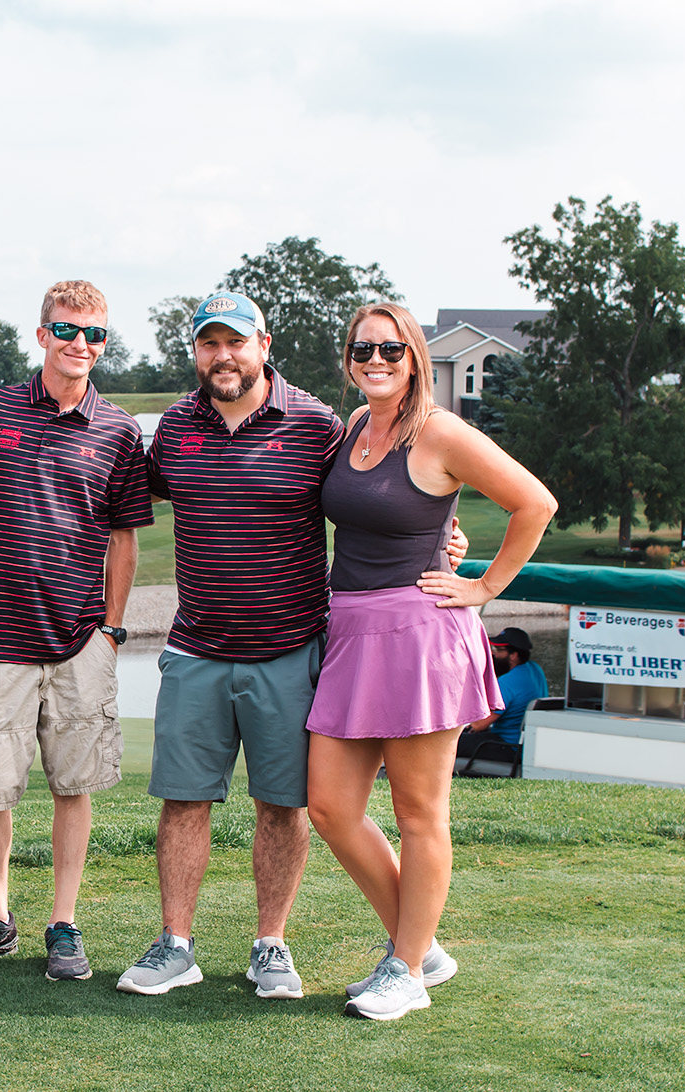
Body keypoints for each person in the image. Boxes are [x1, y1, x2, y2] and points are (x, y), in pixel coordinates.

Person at [116, 292, 466, 1000]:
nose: (223, 356)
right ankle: (174, 944)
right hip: (196, 647)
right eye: (209, 343)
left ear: (263, 344)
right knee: (183, 801)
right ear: (196, 353)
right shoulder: (175, 426)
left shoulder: (317, 425)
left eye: (235, 342)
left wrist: (445, 544)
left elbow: (387, 489)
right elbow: (120, 505)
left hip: (292, 648)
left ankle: (270, 945)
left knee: (285, 806)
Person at [305, 302, 556, 1021]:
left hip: (419, 636)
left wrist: (481, 586)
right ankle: (419, 945)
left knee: (419, 811)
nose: (374, 360)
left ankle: (406, 968)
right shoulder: (354, 425)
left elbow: (533, 503)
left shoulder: (439, 430)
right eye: (362, 349)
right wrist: (447, 531)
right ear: (348, 358)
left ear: (414, 356)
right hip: (349, 631)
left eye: (390, 349)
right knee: (330, 806)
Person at [0, 280, 153, 982]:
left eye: (95, 335)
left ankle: (62, 923)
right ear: (41, 336)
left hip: (78, 639)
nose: (81, 346)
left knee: (73, 784)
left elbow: (124, 538)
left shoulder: (119, 430)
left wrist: (112, 630)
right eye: (67, 331)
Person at [459, 627, 550, 751]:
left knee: (450, 743)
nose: (494, 654)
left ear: (513, 655)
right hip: (525, 743)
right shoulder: (535, 669)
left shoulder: (508, 681)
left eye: (499, 650)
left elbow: (478, 725)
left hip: (507, 745)